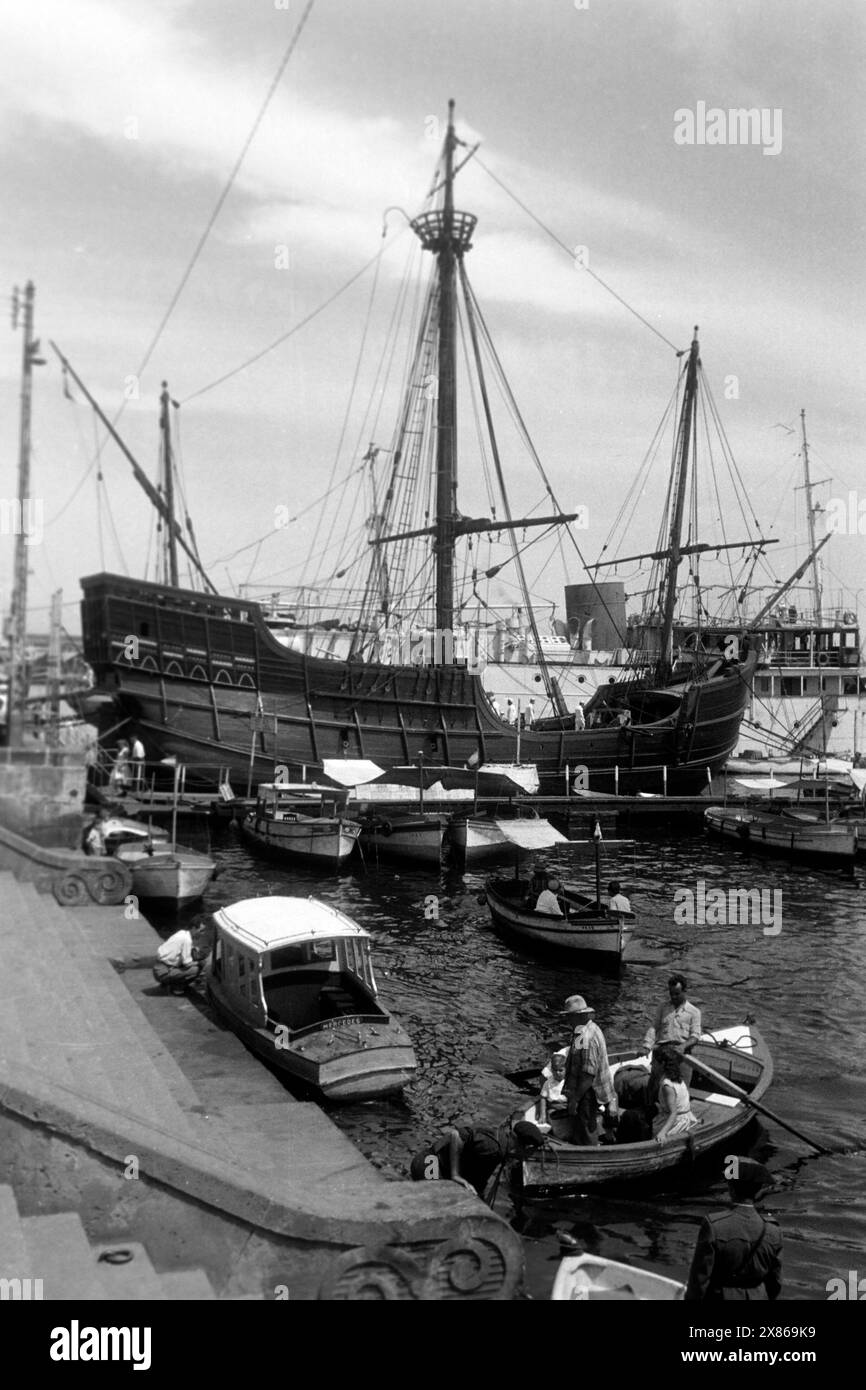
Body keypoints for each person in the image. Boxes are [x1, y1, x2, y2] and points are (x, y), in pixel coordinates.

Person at [685, 1158, 782, 1301]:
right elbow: (775, 1283)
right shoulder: (773, 1231)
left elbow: (699, 1280)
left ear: (731, 1190)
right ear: (757, 1192)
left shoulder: (715, 1226)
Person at [410, 1116, 546, 1199]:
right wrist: (455, 1175)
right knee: (437, 1202)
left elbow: (479, 1182)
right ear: (520, 1145)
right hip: (429, 1162)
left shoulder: (501, 1148)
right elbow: (455, 1135)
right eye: (528, 1151)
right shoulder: (493, 1147)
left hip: (439, 1169)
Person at [561, 995, 617, 1146]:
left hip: (588, 1091)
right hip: (585, 1088)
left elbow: (587, 1075)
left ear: (579, 1016)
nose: (568, 1020)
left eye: (570, 1016)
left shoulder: (587, 1037)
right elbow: (577, 1061)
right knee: (583, 1123)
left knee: (586, 1126)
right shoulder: (584, 1031)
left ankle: (589, 1151)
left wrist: (575, 1099)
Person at [644, 973, 702, 1086]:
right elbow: (654, 1027)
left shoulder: (694, 1012)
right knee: (654, 1086)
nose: (673, 997)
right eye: (671, 994)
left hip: (682, 1054)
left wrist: (683, 1046)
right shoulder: (662, 1007)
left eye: (677, 994)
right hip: (662, 1052)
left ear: (684, 991)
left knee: (681, 1089)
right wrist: (647, 1045)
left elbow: (695, 1036)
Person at [652, 1046, 700, 1145]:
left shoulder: (667, 1085)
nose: (651, 1064)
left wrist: (662, 1133)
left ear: (662, 1064)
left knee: (654, 1134)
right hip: (685, 1116)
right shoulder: (676, 1077)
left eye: (654, 1062)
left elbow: (673, 1113)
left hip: (677, 1121)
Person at [152, 926, 205, 994]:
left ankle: (168, 983)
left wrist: (193, 949)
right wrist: (200, 962)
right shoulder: (187, 940)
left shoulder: (182, 933)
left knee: (187, 960)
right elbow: (188, 963)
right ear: (194, 928)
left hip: (158, 969)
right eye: (201, 931)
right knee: (197, 969)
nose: (202, 934)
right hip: (163, 974)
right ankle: (177, 988)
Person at [536, 1048, 568, 1128]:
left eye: (560, 1070)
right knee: (555, 1120)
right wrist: (542, 1114)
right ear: (551, 1070)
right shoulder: (548, 1083)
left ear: (566, 1070)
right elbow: (543, 1098)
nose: (557, 1073)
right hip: (553, 1108)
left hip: (566, 1108)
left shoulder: (569, 1082)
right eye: (555, 1070)